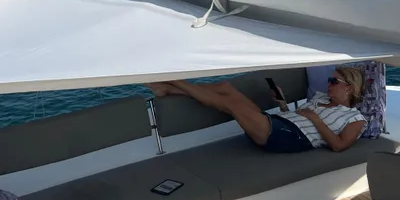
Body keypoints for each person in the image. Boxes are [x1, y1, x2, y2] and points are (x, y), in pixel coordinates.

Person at [147, 66, 366, 153]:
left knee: (230, 105)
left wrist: (315, 120)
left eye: (334, 81)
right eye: (329, 79)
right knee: (226, 89)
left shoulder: (355, 119)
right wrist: (282, 102)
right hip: (281, 124)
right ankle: (168, 89)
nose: (328, 84)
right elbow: (295, 116)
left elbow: (339, 146)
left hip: (289, 138)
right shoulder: (319, 99)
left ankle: (175, 81)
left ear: (349, 88)